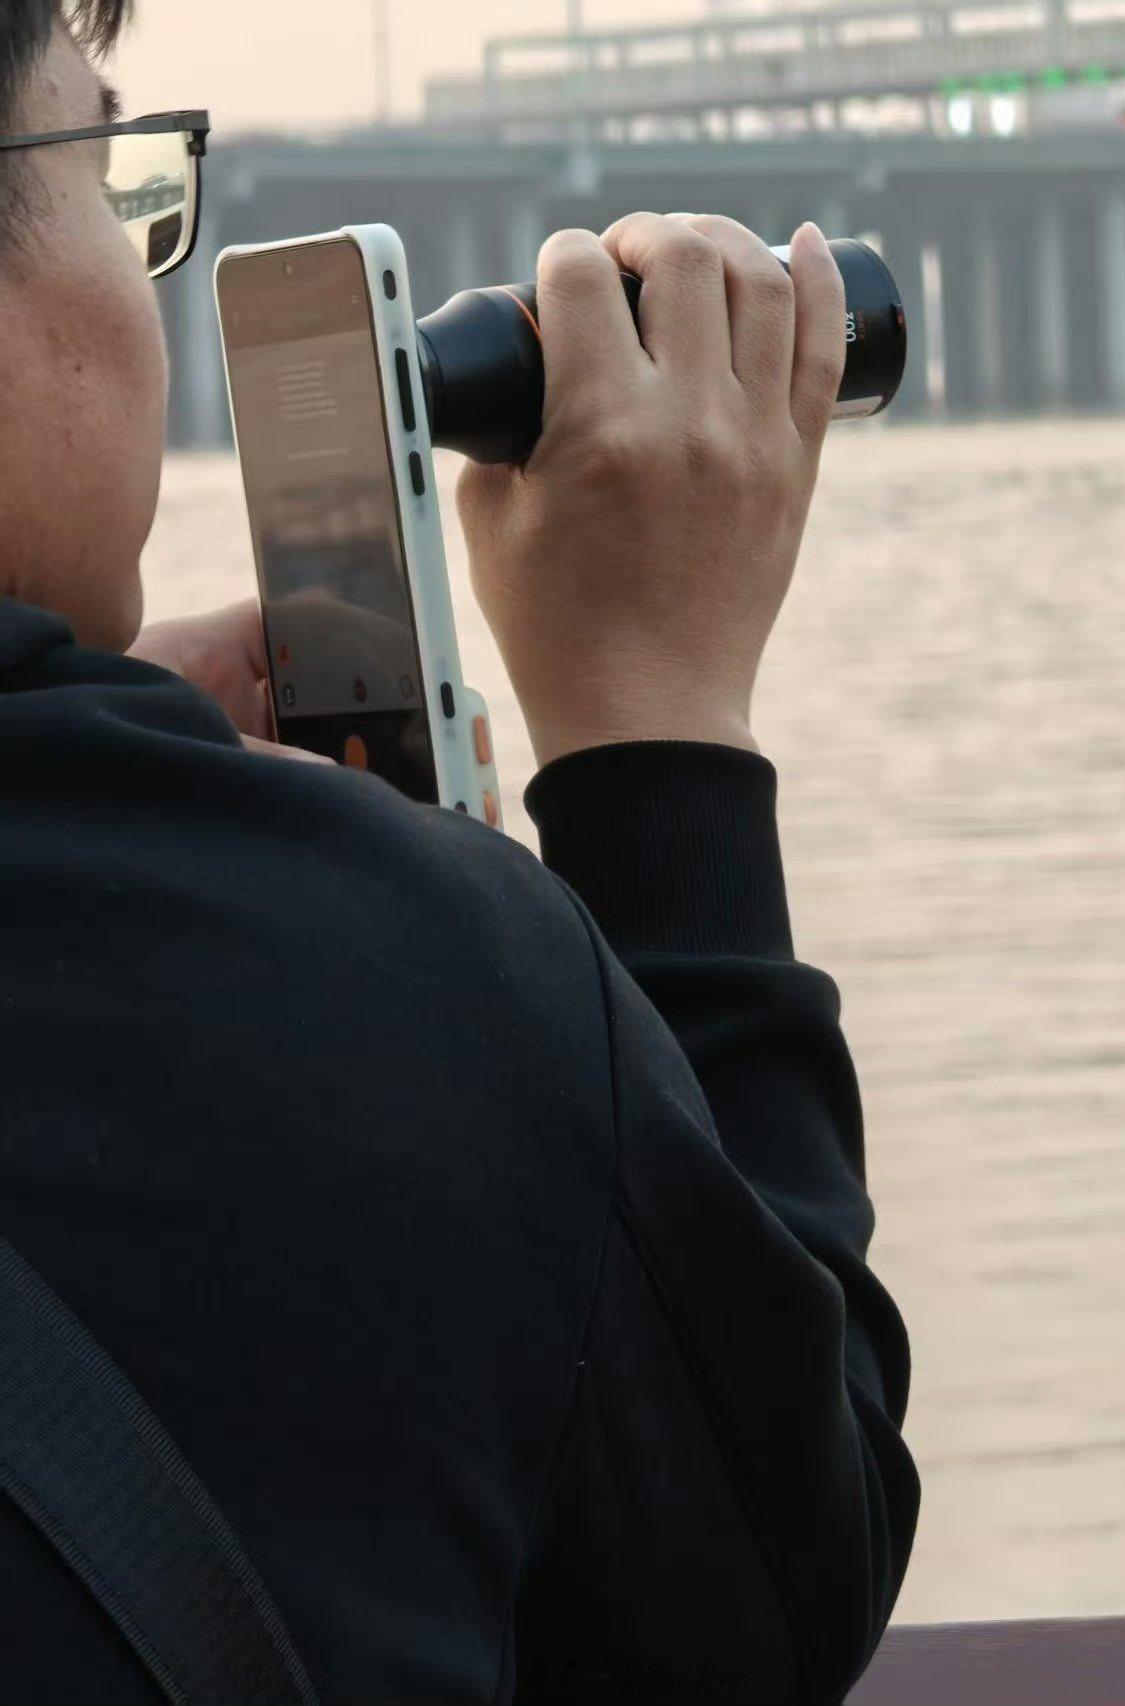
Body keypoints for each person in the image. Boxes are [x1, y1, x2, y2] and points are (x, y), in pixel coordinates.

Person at [0, 5, 919, 1702]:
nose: (137, 273)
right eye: (106, 176)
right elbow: (781, 1580)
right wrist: (657, 730)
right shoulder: (405, 976)